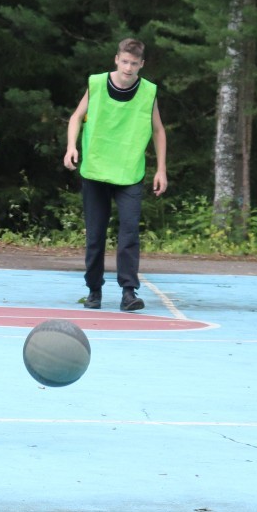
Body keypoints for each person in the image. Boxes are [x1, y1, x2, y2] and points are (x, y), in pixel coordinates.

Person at [64, 38, 167, 312]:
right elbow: (76, 116)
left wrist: (161, 169)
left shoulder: (148, 92)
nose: (128, 67)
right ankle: (94, 291)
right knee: (95, 235)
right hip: (96, 169)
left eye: (134, 63)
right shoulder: (97, 83)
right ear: (116, 59)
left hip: (129, 171)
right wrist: (71, 146)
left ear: (141, 65)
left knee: (130, 233)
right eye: (124, 61)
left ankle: (128, 292)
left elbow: (158, 130)